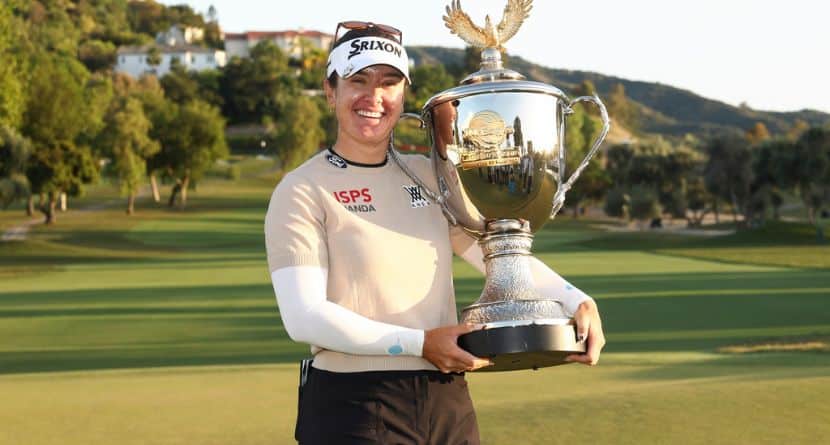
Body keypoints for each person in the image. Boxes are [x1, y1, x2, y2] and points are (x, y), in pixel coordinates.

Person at [264, 21, 606, 445]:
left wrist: (577, 302)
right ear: (331, 91)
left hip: (446, 400)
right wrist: (420, 343)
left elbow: (496, 254)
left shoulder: (433, 176)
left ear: (403, 94)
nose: (374, 96)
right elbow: (304, 317)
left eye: (389, 82)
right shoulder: (302, 189)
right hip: (353, 406)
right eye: (358, 81)